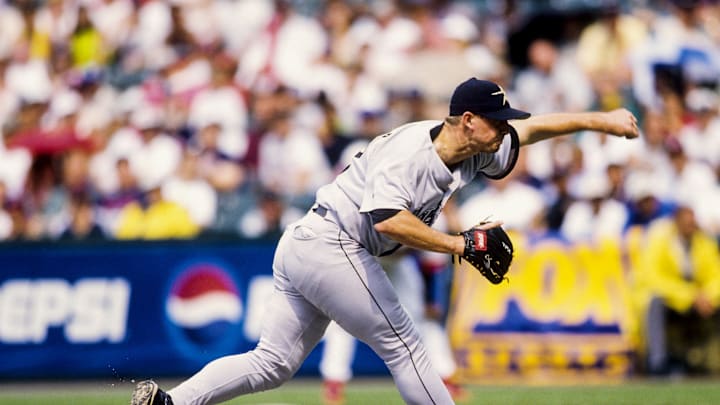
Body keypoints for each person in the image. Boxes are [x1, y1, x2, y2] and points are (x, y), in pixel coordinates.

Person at [130, 77, 639, 405]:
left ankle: (170, 404)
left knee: (274, 363)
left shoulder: (470, 150)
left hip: (311, 244)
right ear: (467, 120)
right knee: (406, 346)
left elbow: (529, 132)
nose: (504, 131)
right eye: (496, 121)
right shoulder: (410, 152)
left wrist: (600, 121)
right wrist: (461, 246)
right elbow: (388, 220)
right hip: (331, 243)